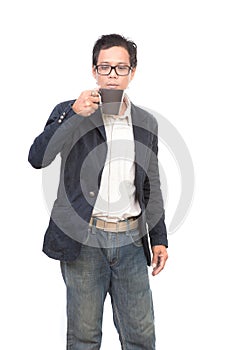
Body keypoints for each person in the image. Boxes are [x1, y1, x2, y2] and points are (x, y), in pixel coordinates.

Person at [28, 33, 168, 350]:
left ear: (133, 72)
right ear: (94, 71)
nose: (113, 75)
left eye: (121, 68)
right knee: (84, 337)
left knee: (141, 336)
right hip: (85, 240)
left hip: (132, 242)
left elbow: (150, 184)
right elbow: (38, 157)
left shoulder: (146, 121)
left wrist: (158, 238)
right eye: (105, 68)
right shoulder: (72, 111)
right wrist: (74, 114)